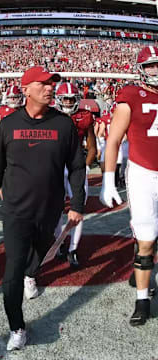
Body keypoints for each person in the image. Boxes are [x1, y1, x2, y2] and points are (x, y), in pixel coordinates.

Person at [0, 66, 86, 351]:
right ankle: (17, 327)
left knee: (38, 256)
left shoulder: (64, 125)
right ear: (26, 89)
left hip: (50, 210)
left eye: (52, 84)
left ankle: (33, 272)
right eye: (43, 84)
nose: (50, 88)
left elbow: (77, 167)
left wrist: (77, 204)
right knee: (12, 272)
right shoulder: (8, 124)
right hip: (15, 211)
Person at [99, 46, 158, 327]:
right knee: (146, 239)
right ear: (141, 69)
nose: (156, 70)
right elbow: (113, 141)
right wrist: (109, 179)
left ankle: (144, 277)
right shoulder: (131, 95)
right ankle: (142, 300)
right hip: (143, 174)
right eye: (151, 66)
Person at [54, 82, 97, 268]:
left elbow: (92, 146)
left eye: (72, 99)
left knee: (78, 208)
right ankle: (60, 243)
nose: (69, 102)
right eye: (65, 99)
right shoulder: (51, 116)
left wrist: (85, 167)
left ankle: (72, 248)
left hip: (76, 166)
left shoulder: (84, 116)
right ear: (59, 99)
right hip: (55, 166)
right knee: (54, 209)